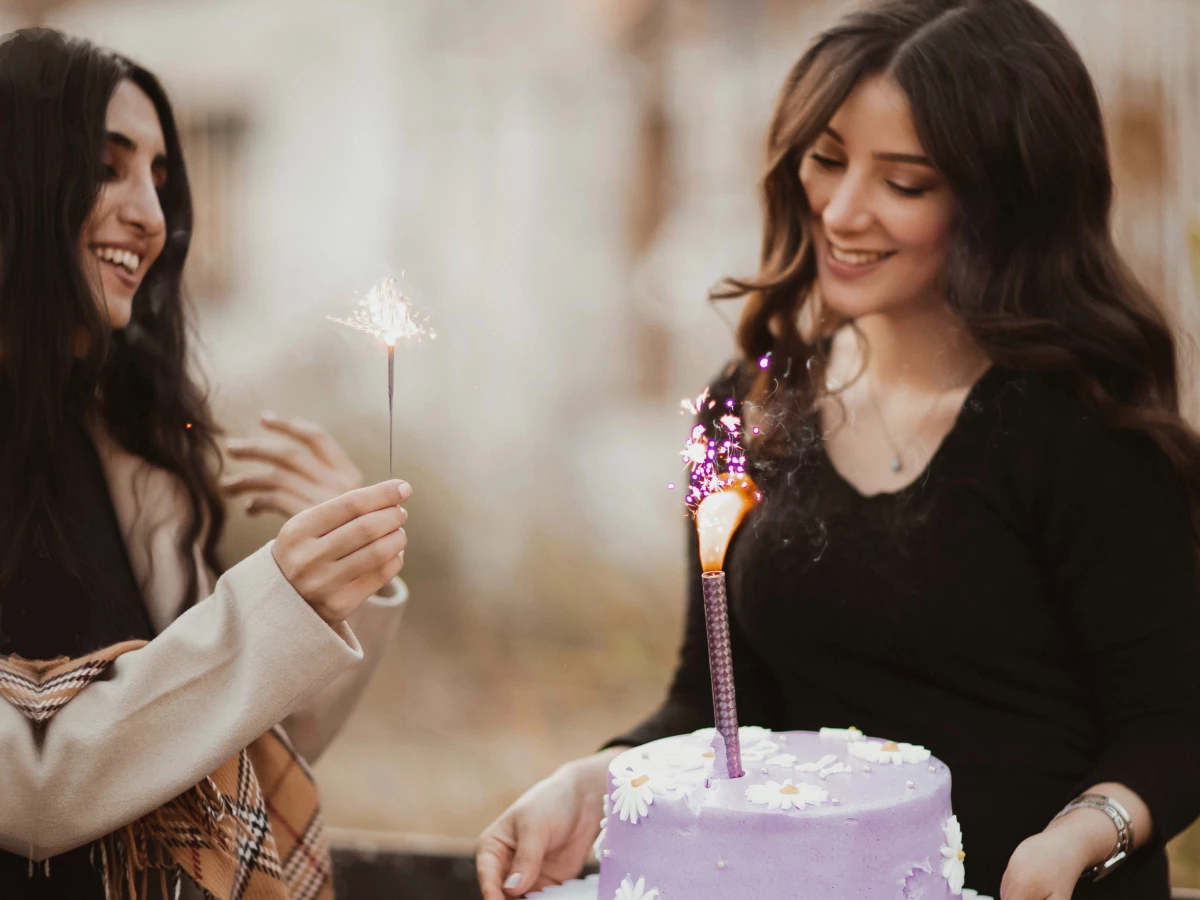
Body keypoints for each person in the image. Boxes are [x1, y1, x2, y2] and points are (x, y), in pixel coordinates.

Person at [476, 0, 1200, 897]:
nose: (843, 209)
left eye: (905, 183)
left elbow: (1172, 726)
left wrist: (1077, 839)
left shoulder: (1087, 430)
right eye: (826, 160)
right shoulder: (749, 403)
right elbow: (713, 703)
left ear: (1005, 198)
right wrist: (596, 779)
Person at [0, 28, 410, 898]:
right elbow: (30, 790)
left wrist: (346, 588)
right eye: (108, 167)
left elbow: (218, 742)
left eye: (159, 176)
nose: (149, 214)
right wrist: (269, 607)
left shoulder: (136, 446)